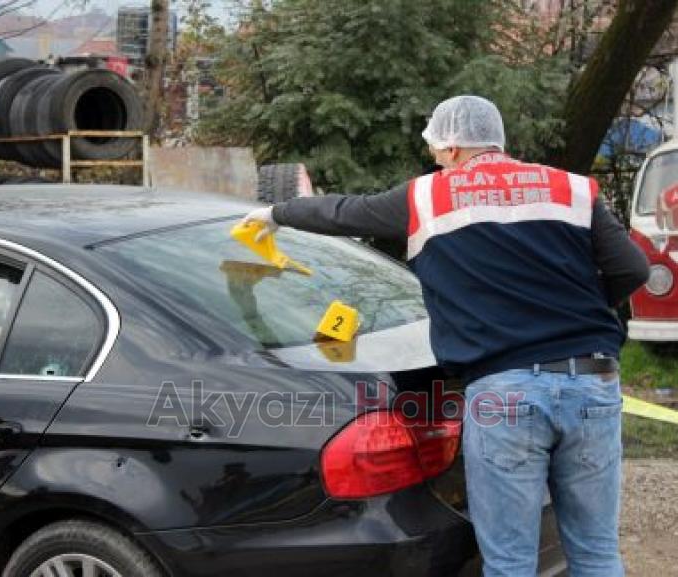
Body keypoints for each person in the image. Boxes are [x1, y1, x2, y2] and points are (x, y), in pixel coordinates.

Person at [242, 95, 649, 577]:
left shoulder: (427, 197)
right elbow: (632, 269)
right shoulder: (571, 189)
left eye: (436, 149)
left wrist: (274, 214)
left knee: (510, 562)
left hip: (506, 395)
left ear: (453, 147)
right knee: (597, 552)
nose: (435, 158)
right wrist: (573, 310)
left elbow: (342, 213)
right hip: (592, 382)